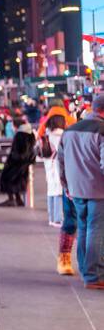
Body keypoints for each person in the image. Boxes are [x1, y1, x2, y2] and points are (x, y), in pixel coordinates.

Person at [58, 92, 104, 288]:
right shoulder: (102, 130)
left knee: (84, 228)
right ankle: (94, 276)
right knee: (96, 230)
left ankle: (87, 271)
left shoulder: (69, 130)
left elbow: (60, 161)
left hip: (75, 189)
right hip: (98, 190)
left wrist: (66, 186)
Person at [41, 114, 68, 228]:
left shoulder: (47, 135)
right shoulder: (62, 136)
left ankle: (51, 217)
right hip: (58, 165)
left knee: (51, 191)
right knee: (58, 191)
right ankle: (58, 219)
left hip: (48, 165)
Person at [0, 130, 37, 207]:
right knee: (17, 180)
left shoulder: (19, 135)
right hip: (25, 163)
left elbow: (16, 151)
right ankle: (18, 199)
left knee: (6, 178)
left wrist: (12, 158)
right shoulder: (30, 135)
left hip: (16, 162)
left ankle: (11, 199)